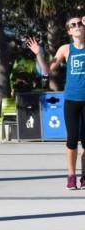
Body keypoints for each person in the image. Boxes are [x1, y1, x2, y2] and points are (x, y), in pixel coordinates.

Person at [27, 16, 85, 190]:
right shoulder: (66, 49)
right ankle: (71, 176)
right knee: (72, 139)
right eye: (73, 25)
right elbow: (46, 70)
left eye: (80, 23)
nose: (77, 26)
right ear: (69, 31)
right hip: (72, 100)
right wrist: (39, 54)